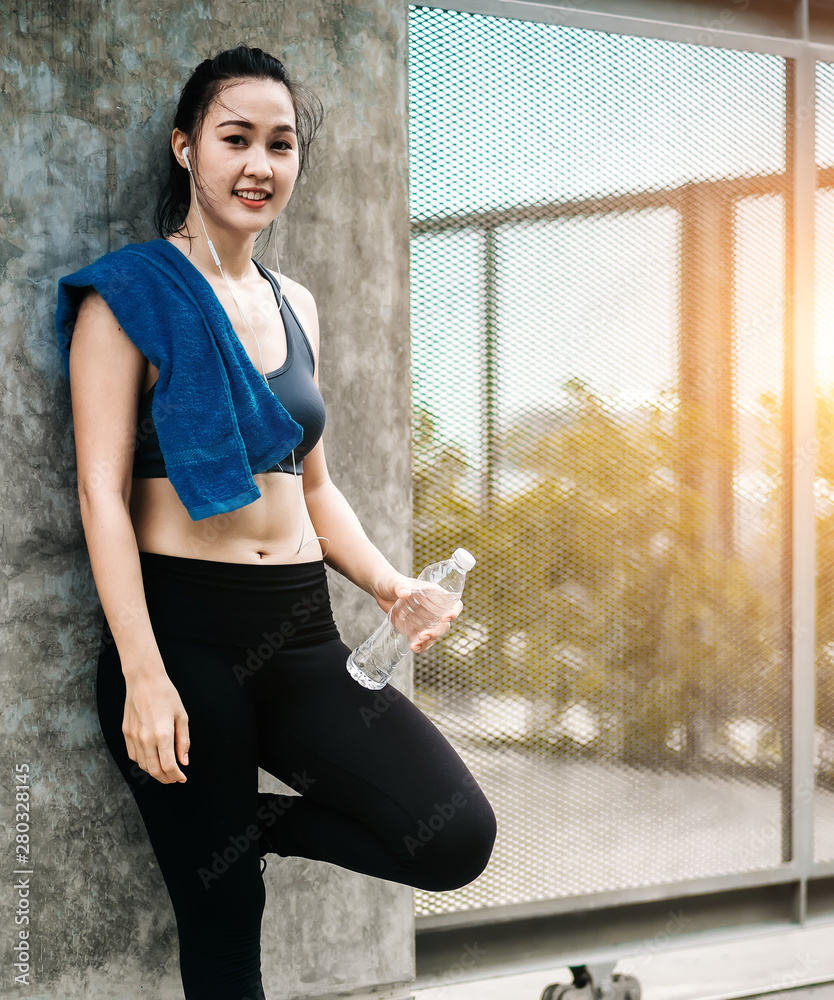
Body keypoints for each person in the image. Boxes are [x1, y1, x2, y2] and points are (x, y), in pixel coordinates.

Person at [56, 45, 496, 1000]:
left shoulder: (296, 305)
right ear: (186, 149)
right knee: (224, 935)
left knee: (455, 835)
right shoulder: (128, 298)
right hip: (184, 638)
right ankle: (221, 840)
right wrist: (143, 674)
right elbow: (100, 495)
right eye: (236, 139)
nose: (260, 163)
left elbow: (316, 487)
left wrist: (391, 586)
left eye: (281, 144)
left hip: (301, 634)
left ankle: (249, 828)